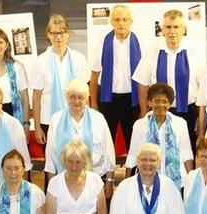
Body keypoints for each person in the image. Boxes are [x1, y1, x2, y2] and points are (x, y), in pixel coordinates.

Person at [133, 9, 203, 153]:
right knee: (157, 152)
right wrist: (145, 112)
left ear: (183, 29)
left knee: (186, 153)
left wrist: (200, 117)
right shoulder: (152, 50)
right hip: (158, 111)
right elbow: (143, 83)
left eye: (176, 27)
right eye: (168, 27)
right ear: (163, 29)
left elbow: (203, 87)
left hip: (187, 112)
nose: (172, 31)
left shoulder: (195, 51)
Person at [43, 79, 116, 196]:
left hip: (96, 177)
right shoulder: (56, 119)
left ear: (87, 98)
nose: (76, 101)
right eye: (72, 97)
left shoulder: (98, 118)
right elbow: (50, 155)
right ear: (67, 98)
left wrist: (110, 181)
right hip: (64, 179)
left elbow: (109, 151)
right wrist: (52, 185)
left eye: (80, 97)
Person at [31, 14, 90, 145]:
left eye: (62, 33)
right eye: (54, 33)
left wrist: (88, 119)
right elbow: (36, 96)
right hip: (49, 119)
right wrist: (36, 127)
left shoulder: (79, 58)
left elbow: (85, 93)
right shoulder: (41, 61)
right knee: (53, 161)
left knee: (76, 159)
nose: (58, 37)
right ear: (48, 35)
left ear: (68, 34)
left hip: (76, 118)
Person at [89, 4, 142, 147]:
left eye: (124, 19)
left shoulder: (140, 43)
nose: (121, 23)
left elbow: (145, 79)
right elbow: (94, 76)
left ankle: (133, 170)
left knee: (134, 144)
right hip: (108, 100)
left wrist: (144, 108)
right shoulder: (102, 42)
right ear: (111, 22)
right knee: (104, 144)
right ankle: (105, 170)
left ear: (131, 21)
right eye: (117, 19)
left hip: (133, 100)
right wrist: (93, 104)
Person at [126, 83, 194, 188]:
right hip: (147, 180)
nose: (161, 105)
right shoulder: (140, 125)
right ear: (149, 102)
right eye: (157, 101)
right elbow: (133, 154)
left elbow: (186, 152)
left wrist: (191, 180)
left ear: (170, 104)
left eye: (165, 101)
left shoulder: (180, 123)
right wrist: (126, 183)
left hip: (177, 181)